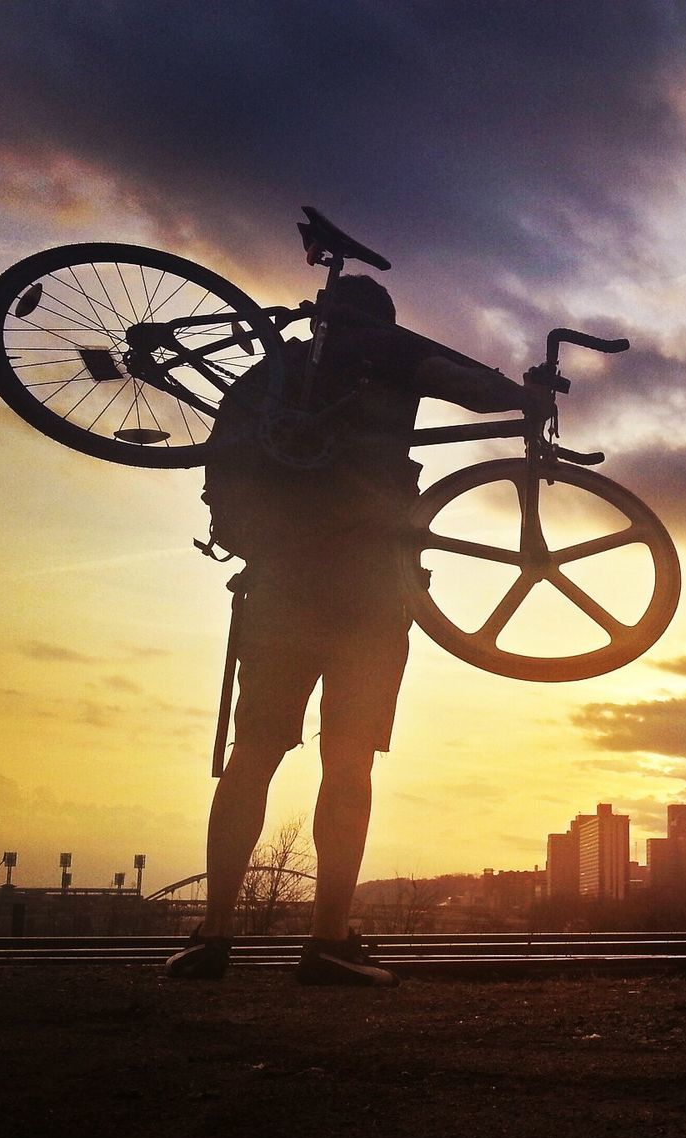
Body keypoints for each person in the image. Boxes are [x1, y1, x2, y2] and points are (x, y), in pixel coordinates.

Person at [165, 274, 552, 984]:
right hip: (372, 594)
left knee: (252, 755)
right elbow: (466, 384)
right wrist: (530, 397)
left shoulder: (270, 381)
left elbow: (217, 472)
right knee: (348, 765)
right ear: (383, 324)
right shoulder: (389, 357)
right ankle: (328, 941)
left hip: (279, 589)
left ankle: (212, 936)